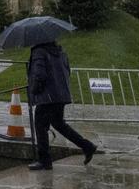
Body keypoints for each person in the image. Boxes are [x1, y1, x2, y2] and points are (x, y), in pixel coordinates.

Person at [26, 40, 97, 170]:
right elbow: (67, 71)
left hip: (46, 97)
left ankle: (45, 160)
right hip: (60, 95)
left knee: (40, 126)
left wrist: (34, 90)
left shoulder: (39, 52)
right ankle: (87, 146)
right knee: (59, 124)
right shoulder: (60, 52)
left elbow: (39, 75)